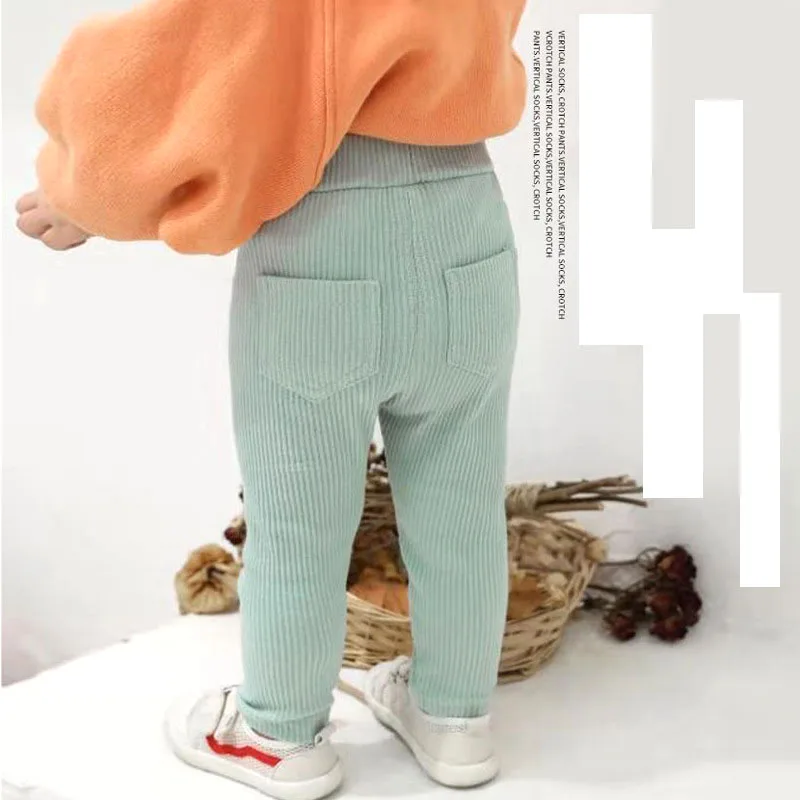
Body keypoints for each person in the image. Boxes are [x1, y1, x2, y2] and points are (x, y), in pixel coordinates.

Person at [16, 2, 527, 798]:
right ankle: (456, 720)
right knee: (462, 507)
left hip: (325, 230)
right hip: (471, 220)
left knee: (299, 519)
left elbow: (188, 47)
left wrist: (80, 190)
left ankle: (278, 734)